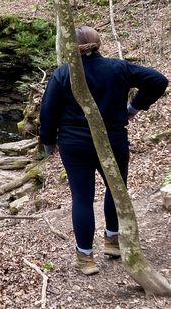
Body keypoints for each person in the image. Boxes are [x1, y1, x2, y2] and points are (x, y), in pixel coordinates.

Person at [39, 26, 168, 275]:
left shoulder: (64, 73)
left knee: (82, 198)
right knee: (115, 189)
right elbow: (158, 80)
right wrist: (134, 107)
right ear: (98, 44)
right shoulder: (117, 68)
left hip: (74, 144)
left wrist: (48, 144)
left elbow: (48, 112)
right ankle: (112, 241)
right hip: (113, 139)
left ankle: (86, 259)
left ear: (71, 47)